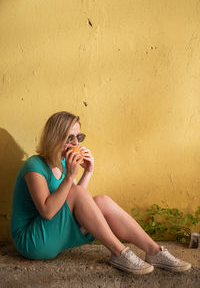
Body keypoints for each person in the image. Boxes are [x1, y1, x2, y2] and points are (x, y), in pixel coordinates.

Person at [10, 111, 191, 275]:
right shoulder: (34, 166)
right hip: (32, 241)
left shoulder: (64, 164)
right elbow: (48, 212)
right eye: (70, 137)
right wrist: (70, 177)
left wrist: (88, 172)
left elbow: (77, 204)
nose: (76, 143)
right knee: (76, 191)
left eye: (79, 137)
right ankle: (120, 252)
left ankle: (154, 251)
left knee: (102, 201)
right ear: (54, 138)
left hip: (54, 235)